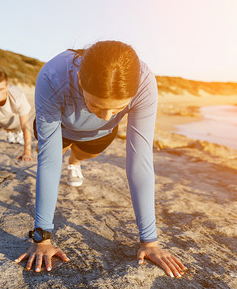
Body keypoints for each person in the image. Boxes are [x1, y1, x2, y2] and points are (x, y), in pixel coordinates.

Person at [15, 41, 187, 277]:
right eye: (95, 104)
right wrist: (42, 236)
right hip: (60, 128)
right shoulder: (53, 76)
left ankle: (75, 162)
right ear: (79, 82)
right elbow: (49, 161)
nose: (106, 116)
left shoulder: (145, 82)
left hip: (98, 137)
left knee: (82, 154)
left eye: (117, 109)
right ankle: (70, 157)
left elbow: (140, 160)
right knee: (57, 156)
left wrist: (150, 241)